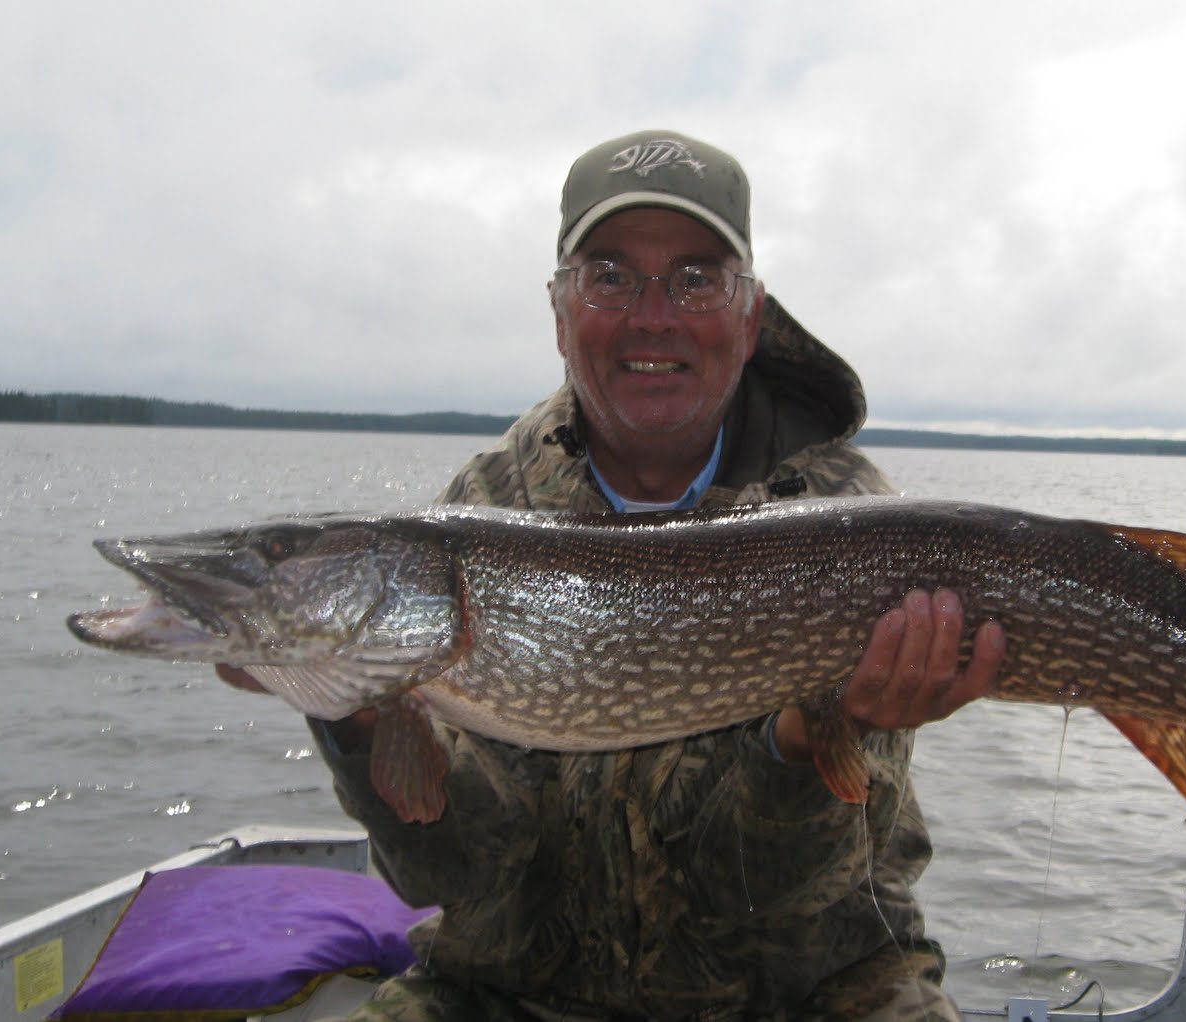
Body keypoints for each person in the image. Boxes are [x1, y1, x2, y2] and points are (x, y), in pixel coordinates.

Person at [227, 129, 1005, 1021]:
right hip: (510, 995)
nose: (652, 314)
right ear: (560, 313)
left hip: (806, 996)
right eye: (610, 275)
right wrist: (359, 713)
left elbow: (772, 896)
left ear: (751, 318)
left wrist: (808, 738)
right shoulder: (481, 513)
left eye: (696, 278)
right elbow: (456, 873)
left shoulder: (846, 521)